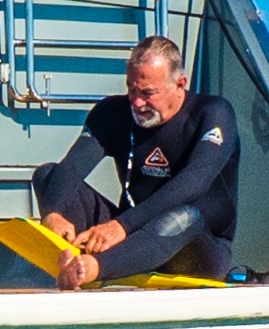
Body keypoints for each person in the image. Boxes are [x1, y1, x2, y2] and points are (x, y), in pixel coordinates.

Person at [32, 34, 241, 287]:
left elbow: (195, 182)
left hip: (195, 248)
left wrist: (122, 225)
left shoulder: (213, 113)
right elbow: (74, 165)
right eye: (131, 89)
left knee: (185, 216)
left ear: (180, 85)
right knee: (48, 176)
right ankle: (72, 256)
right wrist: (53, 214)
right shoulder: (112, 112)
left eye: (148, 93)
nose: (138, 102)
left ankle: (93, 268)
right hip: (130, 239)